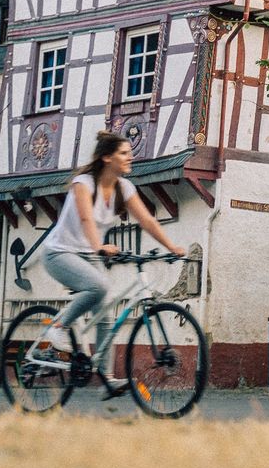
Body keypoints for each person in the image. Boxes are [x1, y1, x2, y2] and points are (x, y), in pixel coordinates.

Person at [37, 131, 183, 396]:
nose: (130, 157)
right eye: (124, 153)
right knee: (99, 288)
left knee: (105, 314)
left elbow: (147, 221)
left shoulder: (124, 188)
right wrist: (99, 247)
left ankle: (105, 376)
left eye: (129, 153)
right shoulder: (84, 184)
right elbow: (86, 221)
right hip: (60, 253)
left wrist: (171, 247)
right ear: (107, 157)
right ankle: (59, 328)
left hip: (91, 255)